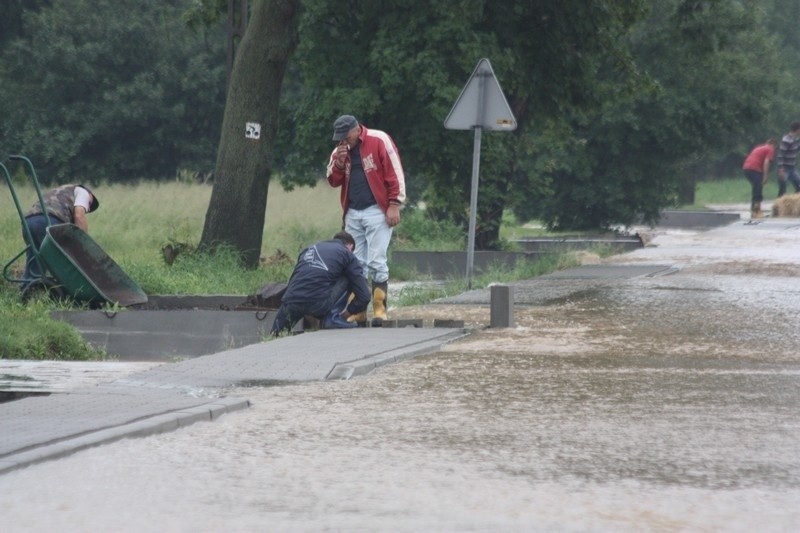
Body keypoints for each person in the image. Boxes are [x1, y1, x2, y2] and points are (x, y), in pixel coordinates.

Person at [326, 114, 406, 326]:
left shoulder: (379, 140)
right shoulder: (339, 152)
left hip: (377, 211)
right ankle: (358, 311)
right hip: (353, 212)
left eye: (345, 137)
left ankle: (380, 310)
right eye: (339, 138)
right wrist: (340, 162)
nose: (343, 142)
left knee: (376, 260)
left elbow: (394, 172)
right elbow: (332, 180)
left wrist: (394, 204)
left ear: (355, 130)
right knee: (355, 264)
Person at [270, 231, 371, 336]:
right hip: (319, 303)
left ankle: (276, 332)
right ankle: (333, 318)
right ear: (350, 246)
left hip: (291, 301)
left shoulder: (308, 249)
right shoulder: (347, 254)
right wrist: (346, 314)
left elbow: (294, 278)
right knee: (350, 275)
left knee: (276, 335)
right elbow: (364, 295)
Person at [21, 183, 100, 289]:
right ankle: (66, 290)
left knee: (36, 257)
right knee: (63, 261)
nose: (88, 207)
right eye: (90, 205)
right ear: (90, 196)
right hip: (51, 221)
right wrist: (83, 244)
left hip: (29, 221)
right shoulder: (83, 192)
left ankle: (28, 289)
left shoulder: (59, 191)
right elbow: (79, 214)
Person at [742, 139, 776, 219]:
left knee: (756, 187)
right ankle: (756, 209)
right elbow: (766, 162)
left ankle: (754, 209)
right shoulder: (770, 149)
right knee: (758, 187)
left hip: (746, 168)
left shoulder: (759, 147)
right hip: (754, 169)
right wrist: (765, 176)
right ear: (774, 145)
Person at [776, 121, 800, 198]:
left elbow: (796, 149)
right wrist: (781, 169)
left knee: (798, 185)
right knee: (783, 187)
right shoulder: (786, 140)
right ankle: (779, 205)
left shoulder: (796, 140)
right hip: (784, 168)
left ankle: (795, 202)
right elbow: (781, 155)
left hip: (792, 168)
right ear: (797, 130)